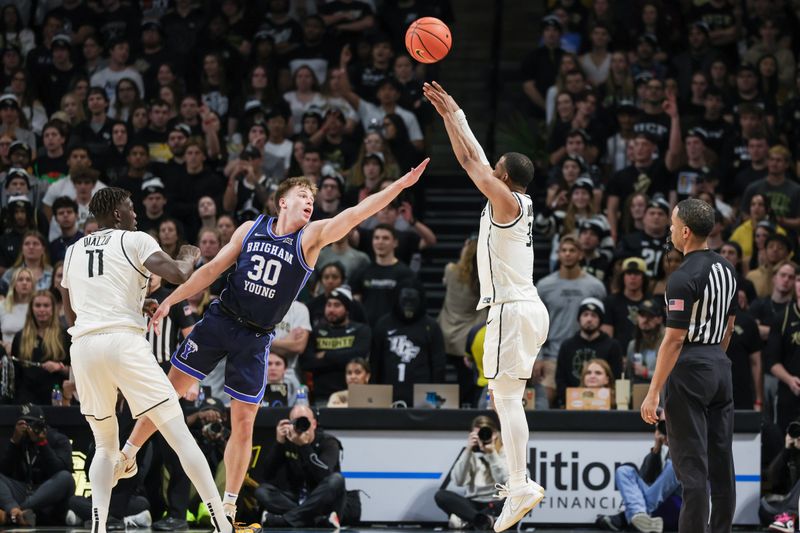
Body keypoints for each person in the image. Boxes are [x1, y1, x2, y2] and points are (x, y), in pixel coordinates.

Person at [129, 158, 429, 523]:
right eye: (303, 195)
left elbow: (354, 214)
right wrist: (170, 302)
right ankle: (127, 454)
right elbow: (209, 271)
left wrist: (397, 186)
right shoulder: (249, 228)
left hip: (255, 337)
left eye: (313, 200)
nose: (310, 203)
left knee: (243, 424)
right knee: (167, 392)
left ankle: (227, 506)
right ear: (282, 201)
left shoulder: (310, 238)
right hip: (221, 318)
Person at [58, 187, 242, 533]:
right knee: (179, 434)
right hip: (124, 343)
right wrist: (189, 254)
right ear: (116, 214)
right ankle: (222, 523)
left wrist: (129, 308)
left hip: (83, 346)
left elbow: (72, 313)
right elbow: (178, 274)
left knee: (104, 444)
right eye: (130, 209)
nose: (136, 215)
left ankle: (98, 527)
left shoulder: (71, 251)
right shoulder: (135, 239)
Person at [424, 80, 549, 532]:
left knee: (506, 398)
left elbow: (471, 161)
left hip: (513, 309)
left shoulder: (507, 200)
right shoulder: (516, 198)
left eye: (496, 168)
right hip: (525, 307)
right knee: (507, 397)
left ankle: (520, 482)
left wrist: (455, 115)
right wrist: (449, 119)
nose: (488, 170)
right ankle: (519, 481)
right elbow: (470, 159)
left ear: (505, 177)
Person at [641, 198, 738, 533]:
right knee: (722, 463)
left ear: (684, 231)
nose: (669, 230)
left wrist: (653, 392)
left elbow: (674, 340)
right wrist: (716, 359)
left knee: (692, 469)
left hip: (690, 367)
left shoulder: (682, 277)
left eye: (671, 225)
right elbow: (728, 326)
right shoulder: (728, 269)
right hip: (719, 364)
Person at [255, 405, 349, 527]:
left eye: (305, 421)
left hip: (322, 500)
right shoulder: (287, 442)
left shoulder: (329, 442)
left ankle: (285, 520)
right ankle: (316, 520)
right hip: (296, 499)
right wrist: (279, 444)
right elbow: (267, 474)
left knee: (337, 479)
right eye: (296, 422)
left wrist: (304, 447)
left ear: (314, 424)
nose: (301, 425)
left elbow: (324, 475)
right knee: (262, 491)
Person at [371, 280, 446, 404]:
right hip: (387, 394)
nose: (409, 306)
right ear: (397, 300)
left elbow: (438, 365)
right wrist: (374, 391)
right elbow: (374, 362)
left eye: (413, 302)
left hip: (423, 398)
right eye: (405, 301)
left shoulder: (431, 326)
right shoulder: (383, 324)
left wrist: (434, 396)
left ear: (420, 301)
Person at [0, 403, 74, 527]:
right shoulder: (17, 440)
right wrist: (14, 442)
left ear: (43, 425)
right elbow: (4, 471)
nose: (28, 428)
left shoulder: (58, 439)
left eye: (32, 424)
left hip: (47, 492)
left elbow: (59, 471)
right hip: (23, 490)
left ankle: (18, 512)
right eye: (24, 424)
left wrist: (43, 443)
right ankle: (14, 510)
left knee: (66, 477)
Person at [434, 416, 507, 531]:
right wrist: (468, 451)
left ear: (495, 434)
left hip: (495, 503)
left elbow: (505, 482)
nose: (482, 438)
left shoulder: (505, 452)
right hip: (472, 503)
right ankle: (485, 520)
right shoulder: (470, 453)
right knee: (441, 495)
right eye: (478, 435)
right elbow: (458, 481)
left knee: (523, 497)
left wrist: (492, 454)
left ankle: (469, 520)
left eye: (486, 433)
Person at [303, 286, 371, 405]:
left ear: (347, 309)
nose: (331, 309)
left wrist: (325, 355)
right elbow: (307, 362)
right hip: (322, 396)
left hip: (354, 395)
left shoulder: (361, 330)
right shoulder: (316, 331)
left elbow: (359, 355)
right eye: (329, 305)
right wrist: (344, 356)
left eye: (337, 305)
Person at [555, 297, 622, 408]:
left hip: (605, 403)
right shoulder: (567, 345)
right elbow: (560, 379)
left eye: (594, 315)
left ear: (600, 320)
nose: (589, 319)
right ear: (579, 319)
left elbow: (616, 378)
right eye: (585, 314)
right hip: (573, 403)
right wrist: (569, 400)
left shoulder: (613, 345)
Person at [11, 290, 70, 405]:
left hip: (56, 398)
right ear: (31, 309)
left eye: (46, 306)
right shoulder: (20, 337)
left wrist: (59, 367)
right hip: (26, 399)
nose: (42, 309)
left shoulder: (64, 336)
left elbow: (75, 371)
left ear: (53, 309)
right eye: (38, 305)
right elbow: (16, 375)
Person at [766, 267, 800, 431]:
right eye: (799, 280)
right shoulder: (782, 317)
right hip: (789, 392)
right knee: (786, 445)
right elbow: (772, 361)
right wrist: (790, 380)